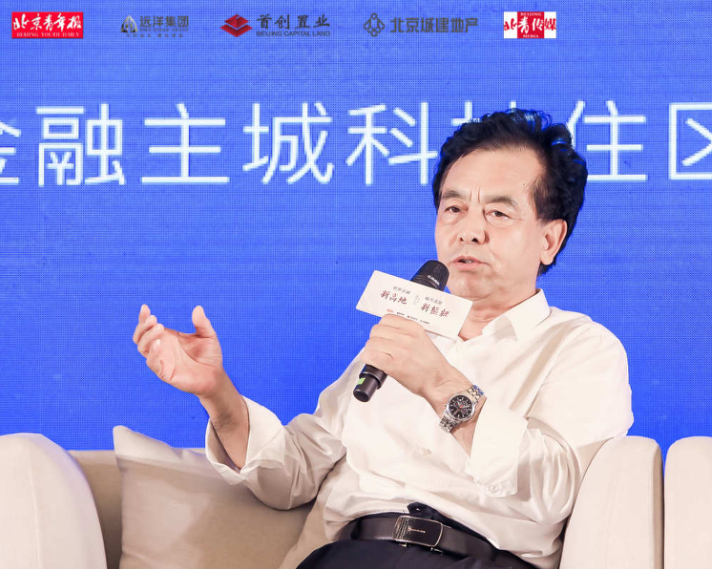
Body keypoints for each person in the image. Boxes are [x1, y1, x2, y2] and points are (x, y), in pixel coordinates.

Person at [132, 109, 633, 569]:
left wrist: (439, 383)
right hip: (346, 557)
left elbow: (555, 490)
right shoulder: (403, 334)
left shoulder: (581, 348)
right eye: (453, 208)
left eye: (498, 214)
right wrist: (217, 393)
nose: (469, 231)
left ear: (549, 239)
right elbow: (294, 475)